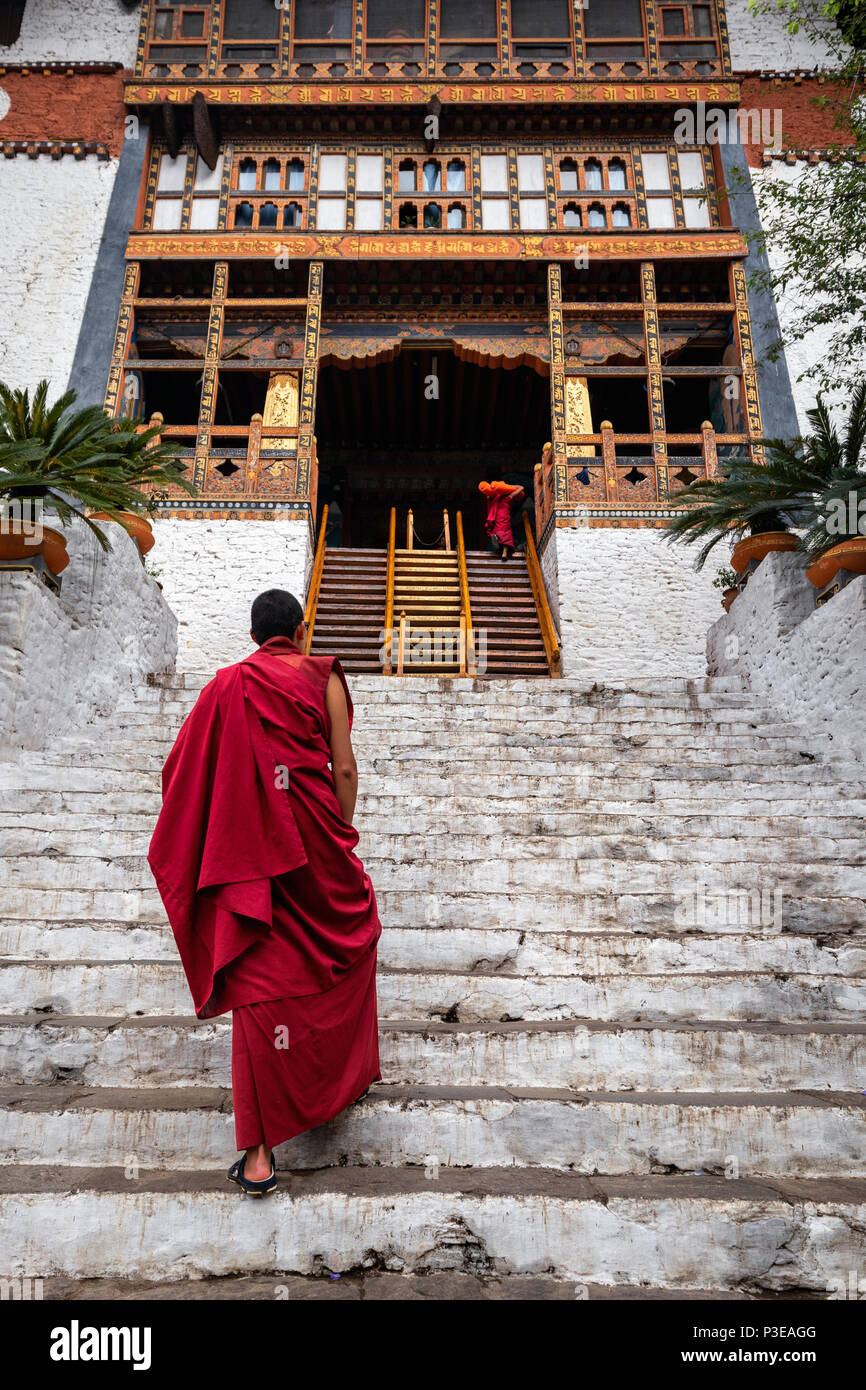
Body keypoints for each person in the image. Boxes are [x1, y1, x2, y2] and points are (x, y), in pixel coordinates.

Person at [148, 589, 381, 1197]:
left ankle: (258, 1155)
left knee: (257, 982)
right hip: (316, 847)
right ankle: (340, 1082)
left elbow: (179, 769)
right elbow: (345, 768)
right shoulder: (322, 674)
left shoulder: (227, 686)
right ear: (301, 631)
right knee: (354, 936)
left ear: (254, 636)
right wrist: (341, 835)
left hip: (254, 859)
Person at [479, 479, 525, 560]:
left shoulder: (494, 497)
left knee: (498, 530)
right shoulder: (509, 496)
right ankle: (504, 553)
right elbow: (521, 487)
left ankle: (496, 537)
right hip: (504, 516)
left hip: (495, 516)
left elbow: (488, 495)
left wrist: (503, 488)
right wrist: (509, 487)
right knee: (506, 533)